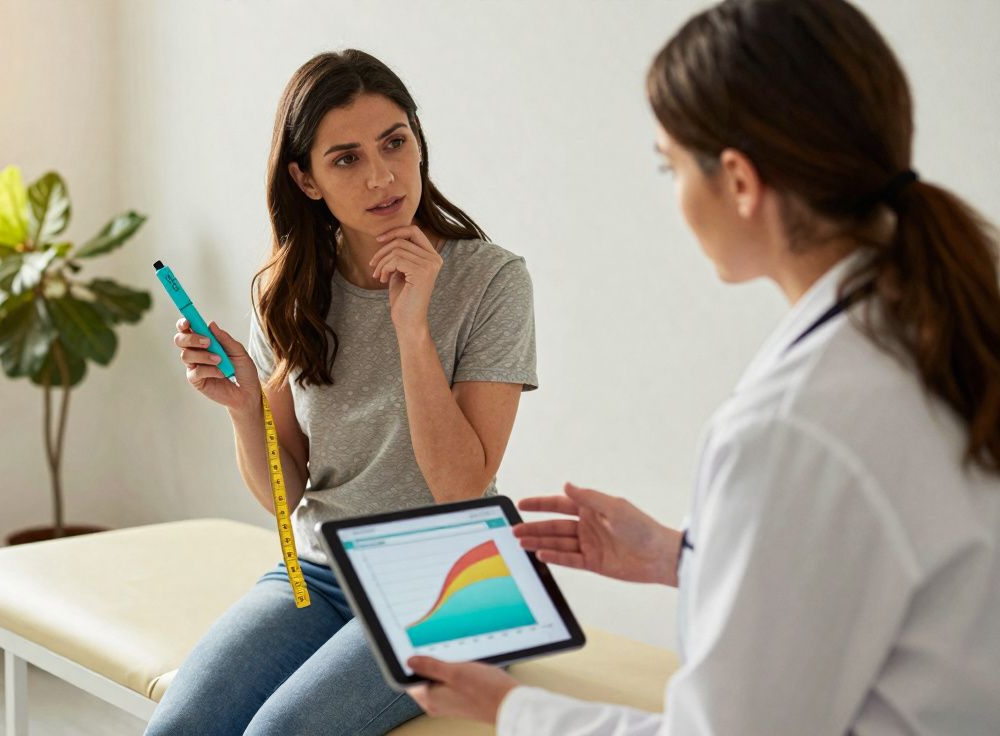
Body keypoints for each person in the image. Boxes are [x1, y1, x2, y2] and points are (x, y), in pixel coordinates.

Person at [406, 0, 1000, 733]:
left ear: (740, 182)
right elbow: (886, 567)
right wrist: (681, 555)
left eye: (671, 165)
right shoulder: (951, 318)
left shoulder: (792, 427)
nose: (675, 196)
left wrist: (510, 708)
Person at [145, 49, 539, 736]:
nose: (383, 175)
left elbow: (460, 486)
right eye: (347, 158)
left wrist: (413, 330)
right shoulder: (286, 292)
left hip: (454, 580)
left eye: (395, 143)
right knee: (179, 729)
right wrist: (245, 412)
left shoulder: (491, 280)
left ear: (418, 140)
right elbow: (285, 496)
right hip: (321, 573)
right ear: (307, 178)